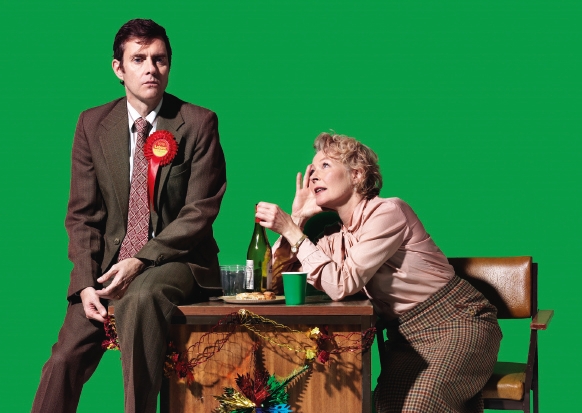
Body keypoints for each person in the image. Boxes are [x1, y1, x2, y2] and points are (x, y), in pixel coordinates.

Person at [31, 19, 226, 413]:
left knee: (140, 298)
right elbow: (82, 215)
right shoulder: (91, 124)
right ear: (119, 68)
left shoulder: (198, 122)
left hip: (178, 260)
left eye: (160, 59)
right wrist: (85, 284)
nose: (151, 68)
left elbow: (199, 212)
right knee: (62, 360)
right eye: (139, 59)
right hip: (107, 267)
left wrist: (140, 260)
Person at [256, 133, 502, 413]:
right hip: (405, 338)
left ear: (357, 174)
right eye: (312, 170)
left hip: (459, 322)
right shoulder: (334, 239)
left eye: (325, 165)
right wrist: (298, 219)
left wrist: (291, 231)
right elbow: (272, 282)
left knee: (420, 404)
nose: (313, 176)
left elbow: (341, 284)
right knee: (387, 406)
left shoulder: (388, 212)